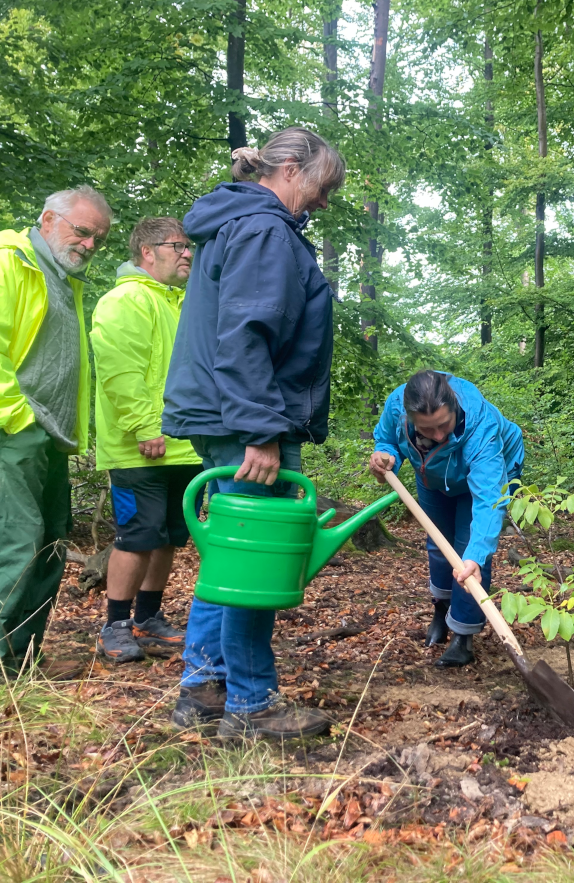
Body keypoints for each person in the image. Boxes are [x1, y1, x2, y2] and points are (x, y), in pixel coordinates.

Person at [162, 127, 345, 739]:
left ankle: (204, 687)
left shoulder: (239, 219)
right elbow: (245, 337)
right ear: (290, 169)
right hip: (244, 417)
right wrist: (260, 432)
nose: (323, 203)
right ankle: (250, 704)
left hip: (225, 414)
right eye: (322, 188)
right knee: (254, 560)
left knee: (230, 549)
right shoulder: (265, 229)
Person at [0, 185, 111, 675]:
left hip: (51, 436)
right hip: (13, 429)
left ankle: (22, 657)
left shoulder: (65, 278)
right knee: (18, 539)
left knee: (50, 546)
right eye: (82, 232)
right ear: (48, 220)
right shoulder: (10, 262)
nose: (88, 245)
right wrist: (19, 417)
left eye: (98, 240)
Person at [91, 217, 203, 663]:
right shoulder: (126, 300)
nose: (187, 253)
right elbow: (121, 371)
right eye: (177, 246)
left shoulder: (180, 303)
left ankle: (148, 618)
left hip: (183, 446)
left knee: (170, 536)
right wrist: (144, 426)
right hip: (141, 446)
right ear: (147, 252)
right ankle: (115, 625)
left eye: (188, 246)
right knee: (137, 536)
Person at [369, 371, 524, 668]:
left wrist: (477, 556)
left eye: (443, 425)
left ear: (454, 406)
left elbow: (489, 502)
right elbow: (387, 439)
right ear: (410, 417)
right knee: (438, 546)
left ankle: (463, 638)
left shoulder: (481, 429)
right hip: (433, 476)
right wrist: (385, 456)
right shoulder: (396, 407)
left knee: (469, 555)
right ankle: (441, 612)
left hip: (482, 479)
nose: (438, 435)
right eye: (427, 429)